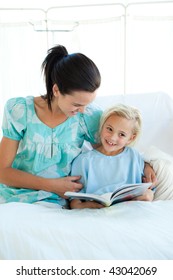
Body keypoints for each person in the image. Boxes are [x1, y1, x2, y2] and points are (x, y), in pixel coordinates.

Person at [0, 44, 156, 208]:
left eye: (87, 104)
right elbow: (2, 171)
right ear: (56, 90)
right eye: (77, 104)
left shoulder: (88, 116)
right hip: (17, 195)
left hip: (59, 200)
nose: (82, 110)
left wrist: (144, 166)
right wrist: (50, 185)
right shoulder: (20, 110)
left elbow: (110, 153)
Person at [70, 104, 155, 209]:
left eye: (122, 134)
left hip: (129, 208)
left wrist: (149, 193)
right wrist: (81, 205)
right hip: (96, 209)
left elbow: (145, 188)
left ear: (131, 139)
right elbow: (75, 199)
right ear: (102, 126)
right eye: (109, 129)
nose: (113, 138)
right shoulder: (83, 161)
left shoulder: (133, 156)